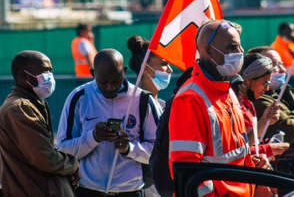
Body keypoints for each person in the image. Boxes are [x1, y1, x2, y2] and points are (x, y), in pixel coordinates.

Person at [168, 20, 269, 197]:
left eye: (240, 46)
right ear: (208, 51)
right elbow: (187, 172)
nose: (240, 52)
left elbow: (232, 154)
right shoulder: (190, 99)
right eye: (232, 47)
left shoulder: (227, 89)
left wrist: (251, 164)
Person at [57, 49, 157, 196]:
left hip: (130, 191)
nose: (110, 87)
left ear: (124, 71)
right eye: (103, 82)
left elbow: (158, 151)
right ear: (92, 73)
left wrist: (129, 148)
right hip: (88, 190)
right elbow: (62, 149)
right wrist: (93, 137)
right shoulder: (79, 97)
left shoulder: (143, 100)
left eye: (116, 81)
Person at [0, 51, 79, 197]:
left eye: (51, 70)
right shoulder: (20, 108)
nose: (50, 75)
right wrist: (73, 165)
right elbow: (45, 158)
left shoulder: (32, 103)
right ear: (25, 76)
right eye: (45, 70)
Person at [127, 35, 173, 197]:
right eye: (164, 64)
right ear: (146, 68)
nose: (170, 69)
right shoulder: (132, 104)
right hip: (142, 186)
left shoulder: (162, 105)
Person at [248, 46, 294, 144]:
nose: (283, 70)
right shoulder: (258, 100)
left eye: (282, 64)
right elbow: (293, 131)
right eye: (274, 65)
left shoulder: (285, 92)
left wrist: (293, 115)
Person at [233, 53, 289, 158]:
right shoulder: (234, 107)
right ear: (247, 81)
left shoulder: (248, 104)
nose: (267, 89)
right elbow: (236, 152)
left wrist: (266, 120)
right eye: (265, 83)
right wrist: (271, 149)